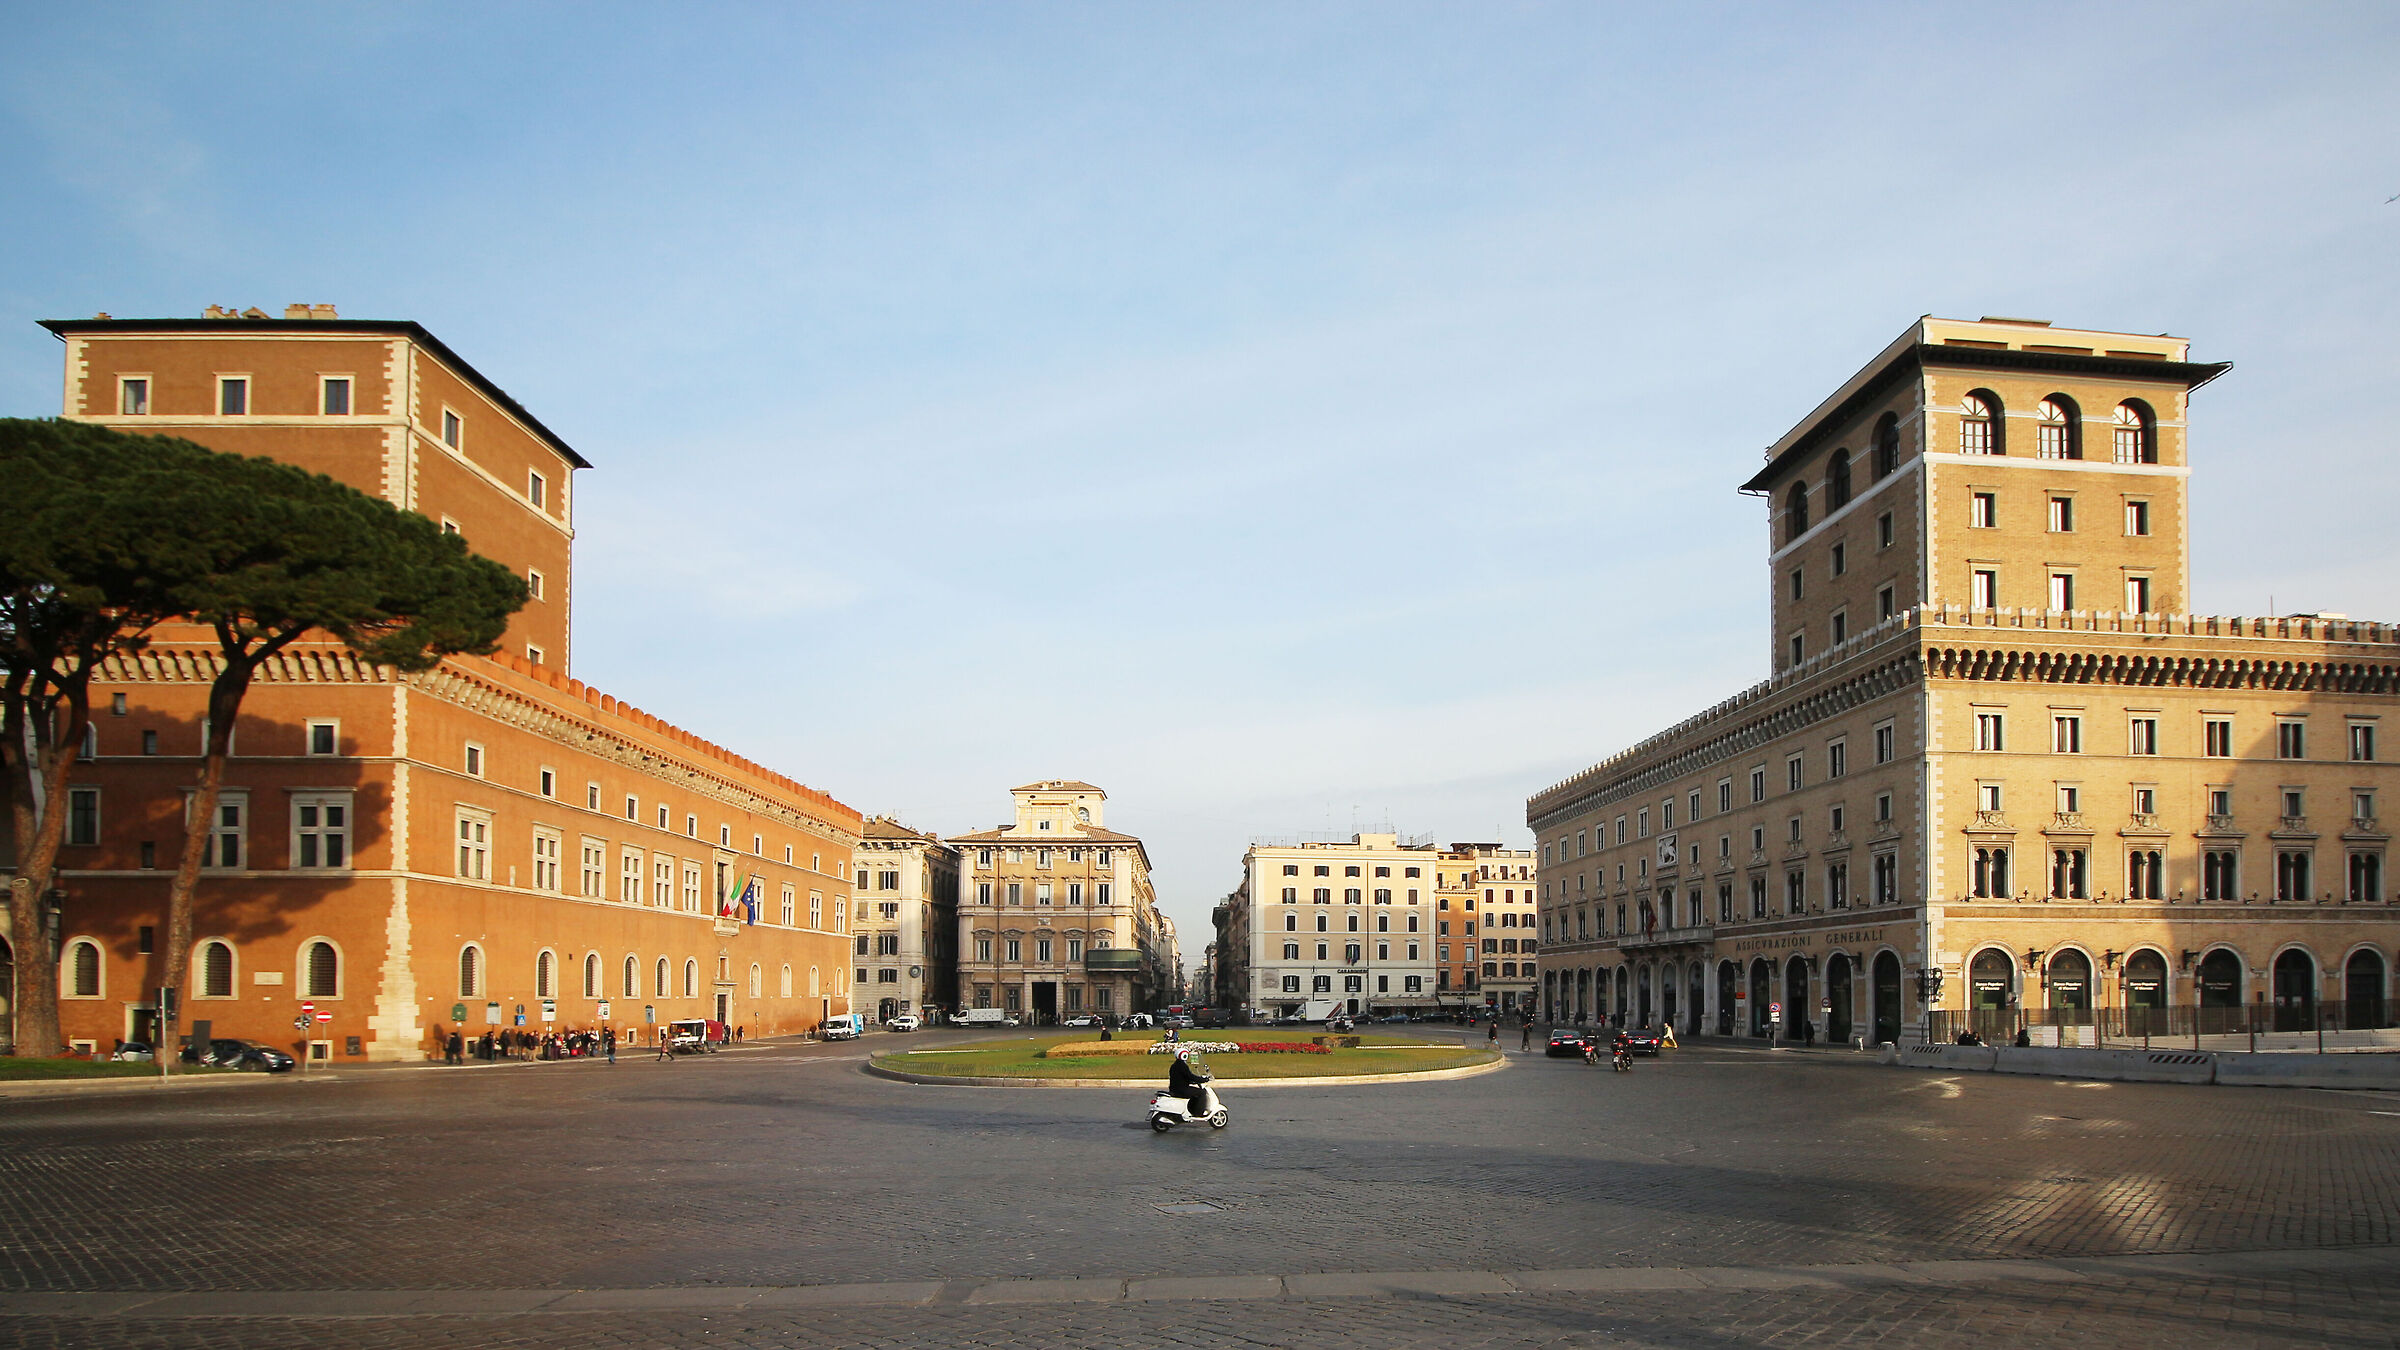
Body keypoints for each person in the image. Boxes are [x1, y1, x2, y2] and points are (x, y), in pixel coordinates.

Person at [1167, 1047, 1212, 1117]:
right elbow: (1190, 1076)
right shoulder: (1182, 1066)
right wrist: (1203, 1079)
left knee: (1195, 1092)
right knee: (1202, 1092)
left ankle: (1191, 1110)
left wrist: (1193, 1081)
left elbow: (1183, 1077)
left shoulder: (1174, 1065)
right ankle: (1199, 1112)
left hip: (1175, 1088)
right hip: (1182, 1090)